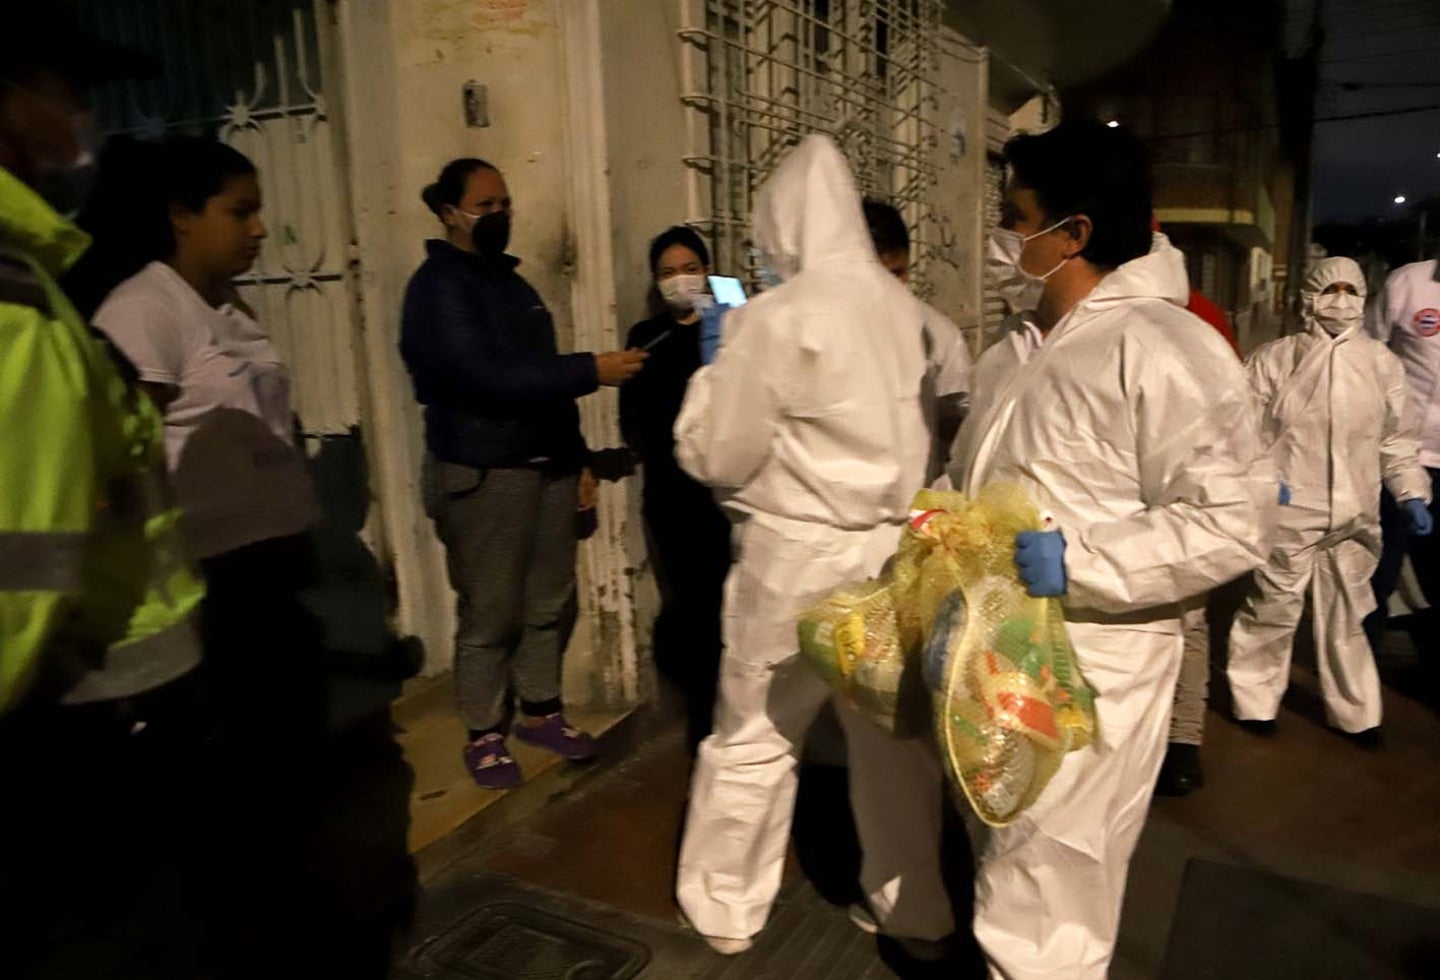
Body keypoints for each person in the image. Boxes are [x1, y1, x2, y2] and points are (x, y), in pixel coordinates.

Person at [949, 119, 1273, 979]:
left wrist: (1082, 564)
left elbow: (1230, 518)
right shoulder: (1014, 350)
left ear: (1075, 233)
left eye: (1017, 217)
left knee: (1054, 879)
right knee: (1010, 850)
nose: (1005, 236)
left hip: (1097, 657)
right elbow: (982, 474)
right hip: (997, 647)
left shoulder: (1166, 349)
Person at [672, 134, 952, 960]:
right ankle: (915, 909)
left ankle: (726, 907)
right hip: (887, 555)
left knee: (756, 731)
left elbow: (716, 453)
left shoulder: (775, 315)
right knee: (893, 748)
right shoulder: (908, 313)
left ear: (782, 224)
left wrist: (711, 375)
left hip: (791, 557)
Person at [1, 12, 207, 975]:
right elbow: (21, 564)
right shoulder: (18, 307)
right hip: (63, 732)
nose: (85, 115)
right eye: (70, 89)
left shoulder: (38, 286)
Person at [400, 158, 646, 789]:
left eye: (504, 203)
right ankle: (484, 732)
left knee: (548, 600)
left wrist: (577, 460)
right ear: (448, 212)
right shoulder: (439, 287)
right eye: (485, 205)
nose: (499, 215)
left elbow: (542, 387)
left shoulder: (511, 283)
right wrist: (593, 368)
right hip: (485, 469)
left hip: (545, 466)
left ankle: (540, 711)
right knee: (490, 611)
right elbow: (488, 377)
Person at [90, 136, 327, 753]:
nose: (260, 228)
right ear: (181, 215)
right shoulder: (145, 310)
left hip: (266, 561)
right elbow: (122, 451)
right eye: (239, 211)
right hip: (210, 576)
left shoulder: (225, 303)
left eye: (259, 210)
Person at [1227, 257, 1432, 741]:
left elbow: (1397, 438)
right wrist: (1260, 480)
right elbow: (1239, 432)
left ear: (1364, 298)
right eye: (1329, 290)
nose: (1339, 302)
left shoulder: (1381, 365)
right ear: (1308, 296)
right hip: (1291, 508)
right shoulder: (1275, 359)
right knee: (1272, 606)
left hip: (1355, 513)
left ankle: (1357, 712)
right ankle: (1254, 701)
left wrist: (1410, 491)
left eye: (1350, 291)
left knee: (1350, 613)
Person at [619, 226, 731, 751]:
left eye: (691, 268)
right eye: (667, 273)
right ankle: (704, 717)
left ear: (708, 269)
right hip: (671, 495)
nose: (680, 280)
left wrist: (727, 302)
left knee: (731, 605)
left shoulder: (730, 322)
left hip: (724, 495)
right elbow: (636, 417)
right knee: (690, 607)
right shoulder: (645, 337)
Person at [1157, 264, 1243, 797]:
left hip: (1186, 494)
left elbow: (1234, 415)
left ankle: (1184, 741)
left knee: (1188, 627)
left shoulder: (1199, 321)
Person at [862, 198, 972, 482]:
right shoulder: (814, 335)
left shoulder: (938, 334)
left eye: (897, 272)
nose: (889, 287)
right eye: (876, 274)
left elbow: (955, 424)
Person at [1365, 256, 1440, 658]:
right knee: (1379, 565)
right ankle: (1362, 661)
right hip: (1399, 453)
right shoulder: (1407, 282)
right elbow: (1367, 352)